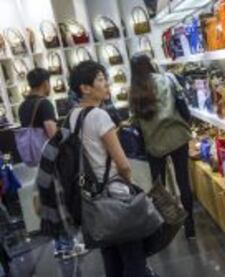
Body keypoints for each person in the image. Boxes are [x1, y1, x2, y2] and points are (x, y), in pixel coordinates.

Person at [69, 60, 152, 277]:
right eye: (100, 80)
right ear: (85, 88)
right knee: (134, 259)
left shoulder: (72, 116)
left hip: (94, 199)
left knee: (111, 257)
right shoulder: (99, 116)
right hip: (116, 195)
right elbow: (122, 163)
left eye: (105, 79)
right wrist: (129, 181)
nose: (106, 84)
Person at [18, 68, 84, 259]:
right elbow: (51, 130)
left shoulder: (23, 106)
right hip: (51, 157)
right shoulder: (44, 104)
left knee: (48, 200)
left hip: (37, 159)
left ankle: (59, 244)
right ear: (45, 83)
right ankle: (67, 244)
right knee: (59, 200)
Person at [129, 54, 195, 238]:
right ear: (150, 64)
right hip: (177, 137)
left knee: (158, 188)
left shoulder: (134, 91)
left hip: (153, 143)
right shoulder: (168, 79)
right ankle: (190, 228)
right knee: (184, 182)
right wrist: (187, 122)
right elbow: (182, 104)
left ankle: (166, 228)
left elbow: (135, 122)